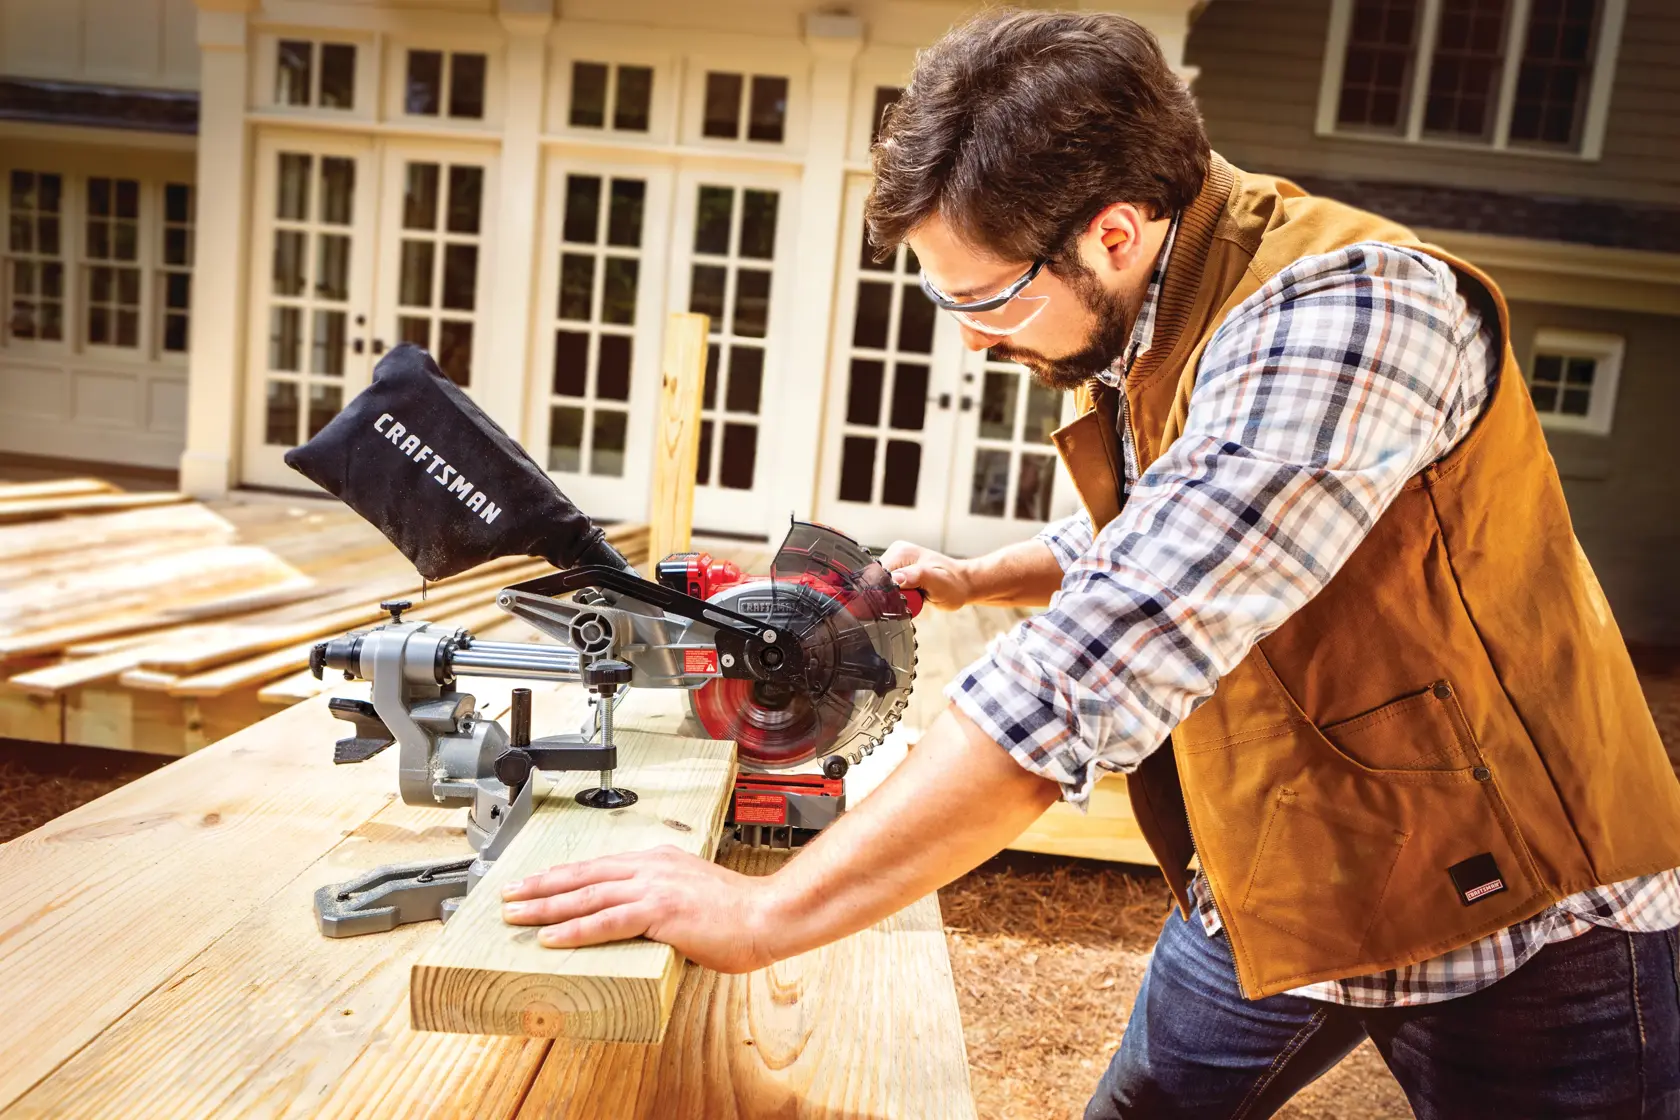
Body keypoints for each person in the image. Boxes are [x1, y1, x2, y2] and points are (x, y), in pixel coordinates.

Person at [500, 10, 1680, 1116]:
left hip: (1527, 912)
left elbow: (1102, 662)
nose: (970, 335)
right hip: (1286, 868)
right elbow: (1170, 523)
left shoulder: (1349, 315)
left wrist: (764, 914)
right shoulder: (1159, 309)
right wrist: (976, 575)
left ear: (1113, 229)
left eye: (990, 297)